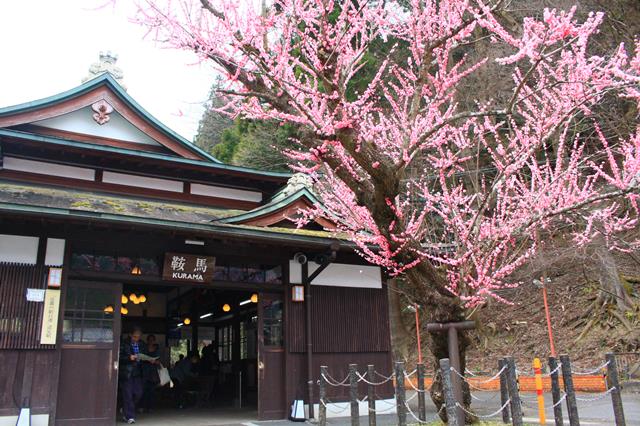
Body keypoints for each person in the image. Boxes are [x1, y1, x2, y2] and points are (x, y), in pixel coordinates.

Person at [119, 327, 148, 424]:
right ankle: (129, 416)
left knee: (138, 393)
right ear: (130, 335)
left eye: (138, 337)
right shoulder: (124, 343)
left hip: (138, 372)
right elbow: (118, 357)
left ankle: (125, 409)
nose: (136, 338)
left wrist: (149, 359)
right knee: (127, 395)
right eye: (135, 336)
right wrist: (129, 357)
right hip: (127, 372)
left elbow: (145, 355)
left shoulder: (142, 344)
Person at [140, 334, 160, 413]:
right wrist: (148, 360)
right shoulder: (144, 348)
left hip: (153, 372)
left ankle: (150, 407)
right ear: (147, 340)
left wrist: (155, 361)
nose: (151, 341)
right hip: (144, 370)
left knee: (151, 391)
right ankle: (141, 406)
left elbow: (159, 359)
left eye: (152, 340)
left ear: (154, 340)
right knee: (143, 390)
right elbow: (140, 358)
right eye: (149, 339)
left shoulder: (156, 349)